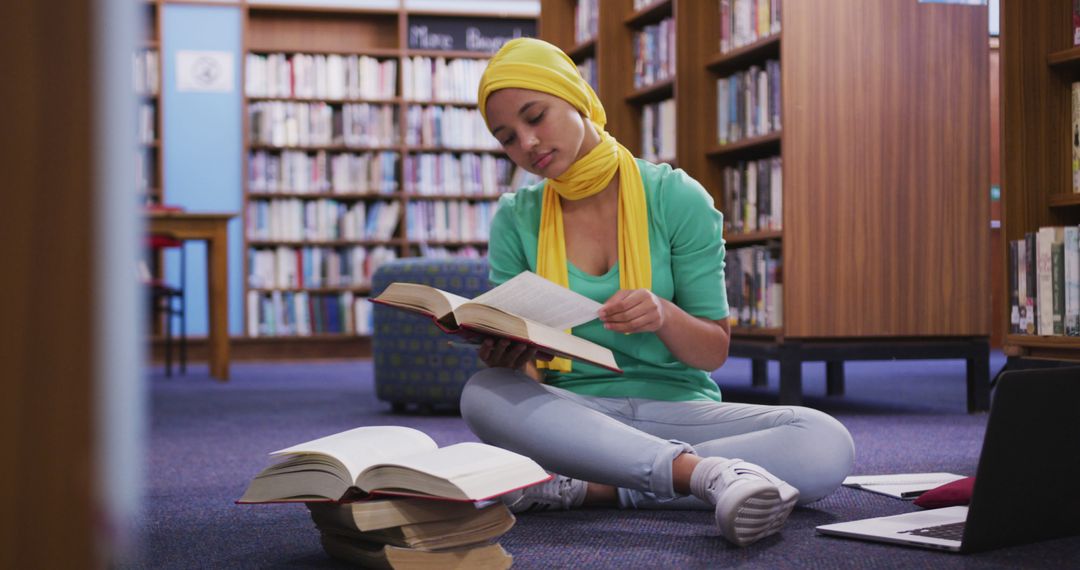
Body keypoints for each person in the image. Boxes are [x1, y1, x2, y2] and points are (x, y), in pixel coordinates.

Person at [459, 37, 855, 547]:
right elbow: (527, 377)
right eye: (507, 137)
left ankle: (596, 488)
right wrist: (509, 358)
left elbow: (712, 352)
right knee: (483, 395)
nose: (528, 143)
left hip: (679, 409)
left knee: (825, 442)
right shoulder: (516, 217)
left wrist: (664, 316)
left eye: (536, 116)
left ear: (577, 97)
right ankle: (705, 477)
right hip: (576, 417)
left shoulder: (676, 197)